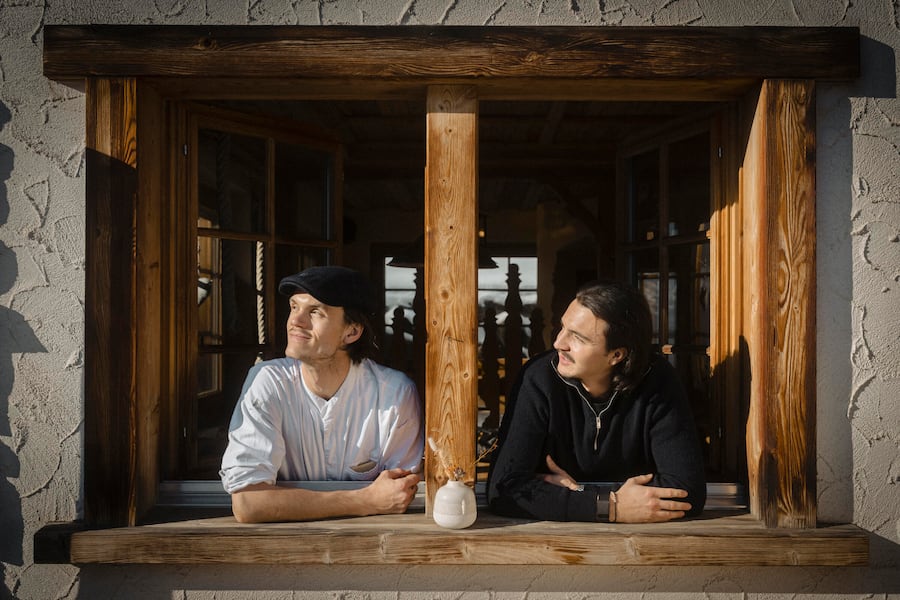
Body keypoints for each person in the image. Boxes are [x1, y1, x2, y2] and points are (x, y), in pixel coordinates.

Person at [487, 279, 706, 523]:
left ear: (616, 355)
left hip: (644, 540)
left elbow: (688, 492)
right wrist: (610, 506)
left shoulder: (658, 382)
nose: (559, 343)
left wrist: (573, 496)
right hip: (554, 539)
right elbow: (503, 489)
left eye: (577, 338)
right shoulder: (538, 378)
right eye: (563, 327)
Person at [220, 266, 424, 523]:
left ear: (352, 332)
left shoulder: (394, 395)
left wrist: (288, 502)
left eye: (315, 311)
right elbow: (248, 504)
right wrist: (366, 500)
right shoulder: (268, 381)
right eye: (294, 307)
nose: (295, 321)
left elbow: (400, 495)